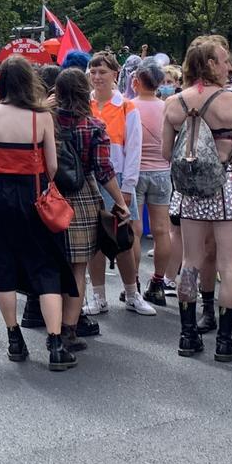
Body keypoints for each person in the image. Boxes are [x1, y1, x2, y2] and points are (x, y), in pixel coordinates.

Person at [0, 57, 79, 370]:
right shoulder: (41, 117)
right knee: (46, 267)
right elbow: (52, 166)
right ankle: (56, 343)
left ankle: (14, 338)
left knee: (4, 268)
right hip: (34, 197)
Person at [162, 36, 232, 363]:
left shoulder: (174, 103)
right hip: (229, 184)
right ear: (211, 64)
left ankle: (187, 335)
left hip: (191, 190)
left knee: (190, 261)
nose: (229, 65)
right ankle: (225, 341)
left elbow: (166, 154)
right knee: (228, 264)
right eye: (224, 59)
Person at [54, 69, 131, 351]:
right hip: (83, 197)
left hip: (50, 197)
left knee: (53, 263)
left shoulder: (47, 123)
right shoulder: (94, 125)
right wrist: (120, 203)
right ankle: (69, 330)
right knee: (78, 267)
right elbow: (104, 170)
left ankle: (50, 322)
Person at [85, 52, 152, 317]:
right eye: (93, 71)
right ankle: (98, 296)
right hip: (89, 180)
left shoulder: (126, 107)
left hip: (118, 179)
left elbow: (134, 149)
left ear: (115, 74)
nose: (97, 77)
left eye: (102, 72)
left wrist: (128, 187)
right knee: (94, 241)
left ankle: (132, 294)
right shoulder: (84, 104)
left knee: (123, 240)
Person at [131, 61, 177, 307]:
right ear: (160, 83)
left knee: (135, 231)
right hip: (162, 171)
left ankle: (133, 281)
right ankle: (158, 282)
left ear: (136, 81)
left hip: (135, 172)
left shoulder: (129, 107)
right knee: (162, 231)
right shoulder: (168, 107)